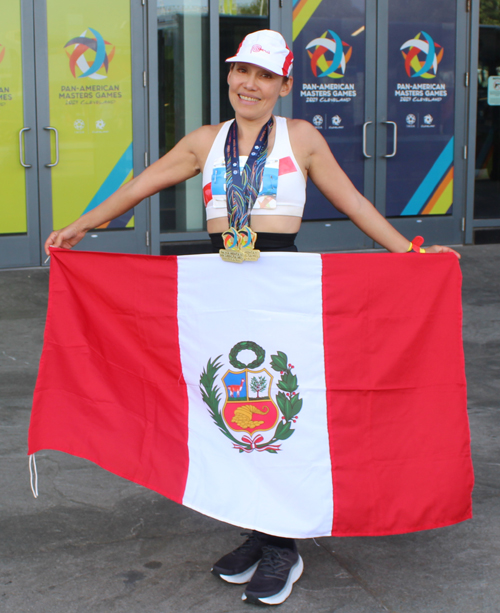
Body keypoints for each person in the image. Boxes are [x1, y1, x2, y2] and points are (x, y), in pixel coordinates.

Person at [44, 29, 460, 606]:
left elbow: (354, 202)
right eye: (243, 71)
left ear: (284, 85)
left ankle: (282, 545)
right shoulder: (204, 142)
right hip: (220, 287)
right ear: (230, 75)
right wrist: (82, 225)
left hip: (281, 286)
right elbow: (142, 184)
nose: (250, 84)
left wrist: (410, 254)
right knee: (227, 412)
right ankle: (257, 528)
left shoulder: (301, 138)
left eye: (265, 76)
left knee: (275, 408)